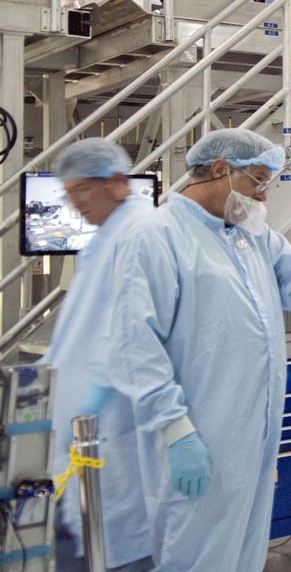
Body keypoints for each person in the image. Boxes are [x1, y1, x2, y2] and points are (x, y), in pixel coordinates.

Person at [107, 129, 291, 572]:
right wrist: (175, 429)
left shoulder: (249, 237)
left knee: (244, 550)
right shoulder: (155, 236)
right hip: (194, 434)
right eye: (258, 181)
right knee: (195, 554)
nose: (263, 196)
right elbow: (136, 345)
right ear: (221, 170)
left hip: (251, 434)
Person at [44, 139, 153, 572]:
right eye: (69, 194)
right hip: (82, 436)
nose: (76, 204)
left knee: (118, 549)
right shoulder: (106, 238)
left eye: (83, 190)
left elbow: (131, 338)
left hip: (112, 431)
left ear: (119, 183)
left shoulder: (140, 234)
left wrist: (90, 399)